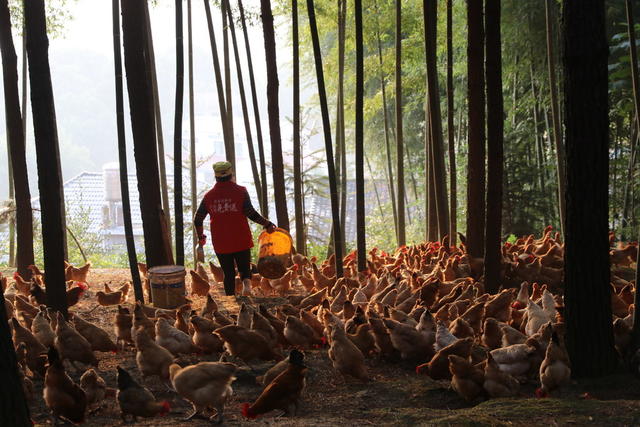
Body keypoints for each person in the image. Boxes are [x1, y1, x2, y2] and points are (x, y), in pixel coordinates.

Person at [194, 161, 276, 296]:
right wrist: (267, 224)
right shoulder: (241, 191)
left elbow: (198, 219)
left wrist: (201, 237)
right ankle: (247, 286)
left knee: (228, 273)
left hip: (221, 241)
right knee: (244, 267)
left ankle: (231, 299)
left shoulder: (209, 196)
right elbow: (251, 213)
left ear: (216, 176)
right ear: (231, 174)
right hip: (240, 238)